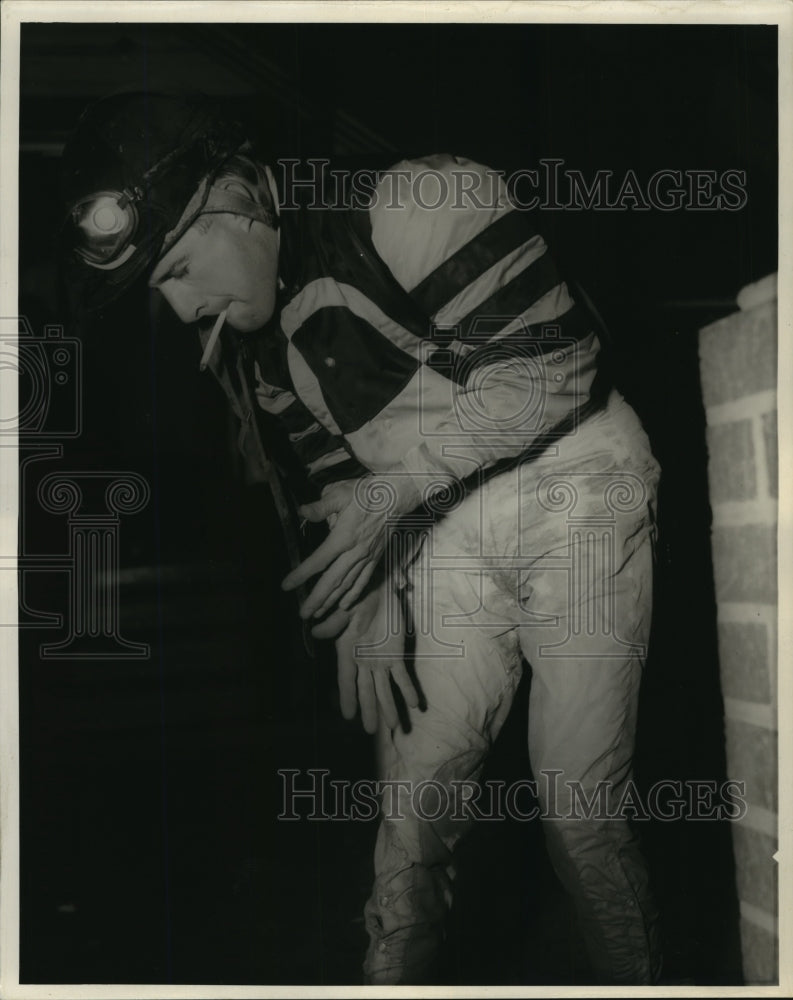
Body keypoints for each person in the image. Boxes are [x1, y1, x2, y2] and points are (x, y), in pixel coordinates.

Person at [60, 91, 663, 985]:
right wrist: (374, 584)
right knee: (409, 812)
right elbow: (344, 481)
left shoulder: (413, 205)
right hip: (436, 524)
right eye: (163, 288)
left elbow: (552, 367)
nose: (185, 309)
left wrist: (393, 499)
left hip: (573, 480)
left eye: (182, 266)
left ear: (240, 196)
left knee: (576, 805)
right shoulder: (255, 354)